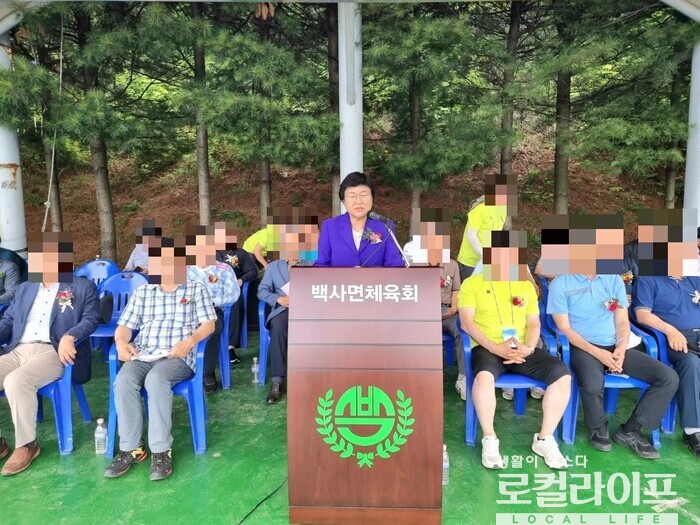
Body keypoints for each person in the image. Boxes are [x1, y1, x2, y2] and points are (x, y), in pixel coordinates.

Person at [545, 214, 679, 459]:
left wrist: (620, 348)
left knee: (667, 377)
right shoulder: (561, 284)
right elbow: (564, 329)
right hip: (583, 347)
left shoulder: (614, 280)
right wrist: (598, 353)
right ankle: (598, 427)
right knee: (592, 383)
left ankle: (631, 430)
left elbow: (622, 321)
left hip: (617, 346)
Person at [105, 237, 216, 481]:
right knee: (123, 381)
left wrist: (189, 341)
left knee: (156, 380)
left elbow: (209, 324)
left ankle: (161, 450)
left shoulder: (195, 289)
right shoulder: (143, 292)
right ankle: (132, 448)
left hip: (177, 356)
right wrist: (121, 343)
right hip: (144, 353)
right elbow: (124, 327)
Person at [458, 230, 571, 470]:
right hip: (488, 347)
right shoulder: (472, 284)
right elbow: (467, 323)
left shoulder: (524, 286)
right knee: (483, 378)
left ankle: (544, 439)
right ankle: (489, 438)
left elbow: (534, 323)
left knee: (562, 375)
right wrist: (494, 347)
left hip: (521, 348)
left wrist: (528, 348)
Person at [0, 232, 99, 476]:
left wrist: (70, 336)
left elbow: (91, 318)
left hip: (54, 351)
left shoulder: (82, 286)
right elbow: (9, 321)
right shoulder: (25, 288)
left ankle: (27, 445)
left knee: (16, 381)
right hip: (18, 349)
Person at [258, 208, 319, 404]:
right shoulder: (274, 266)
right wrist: (278, 299)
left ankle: (314, 377)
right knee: (278, 327)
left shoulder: (313, 263)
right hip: (284, 309)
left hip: (309, 310)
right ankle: (277, 380)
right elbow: (262, 291)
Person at [406, 208, 466, 400]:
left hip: (446, 312)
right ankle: (420, 377)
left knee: (462, 330)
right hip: (422, 313)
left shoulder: (452, 265)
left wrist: (454, 308)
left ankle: (463, 378)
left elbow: (456, 291)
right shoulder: (414, 265)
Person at [186, 225, 240, 393]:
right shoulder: (184, 269)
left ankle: (207, 372)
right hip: (187, 310)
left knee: (212, 327)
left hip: (213, 310)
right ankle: (180, 367)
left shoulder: (223, 269)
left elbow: (233, 293)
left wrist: (213, 301)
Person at [314, 172, 404, 267]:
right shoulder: (330, 226)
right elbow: (320, 264)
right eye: (352, 196)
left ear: (372, 199)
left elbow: (395, 265)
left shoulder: (385, 226)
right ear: (343, 202)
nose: (358, 201)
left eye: (364, 195)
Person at [456, 174, 515, 282]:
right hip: (470, 263)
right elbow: (471, 235)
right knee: (470, 291)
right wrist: (483, 255)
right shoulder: (480, 209)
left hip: (488, 263)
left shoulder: (503, 209)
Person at [215, 222, 257, 364]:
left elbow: (252, 271)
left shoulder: (240, 253)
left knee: (234, 304)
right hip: (212, 289)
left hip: (232, 289)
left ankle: (230, 347)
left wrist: (241, 280)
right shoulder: (208, 253)